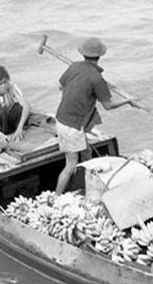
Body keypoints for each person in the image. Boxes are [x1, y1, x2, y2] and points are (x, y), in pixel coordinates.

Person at [54, 37, 137, 194]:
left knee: (86, 153)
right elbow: (108, 105)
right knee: (70, 164)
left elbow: (60, 86)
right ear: (100, 56)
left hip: (61, 119)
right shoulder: (97, 78)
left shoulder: (74, 67)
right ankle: (56, 197)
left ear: (83, 54)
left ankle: (89, 180)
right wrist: (127, 101)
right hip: (72, 126)